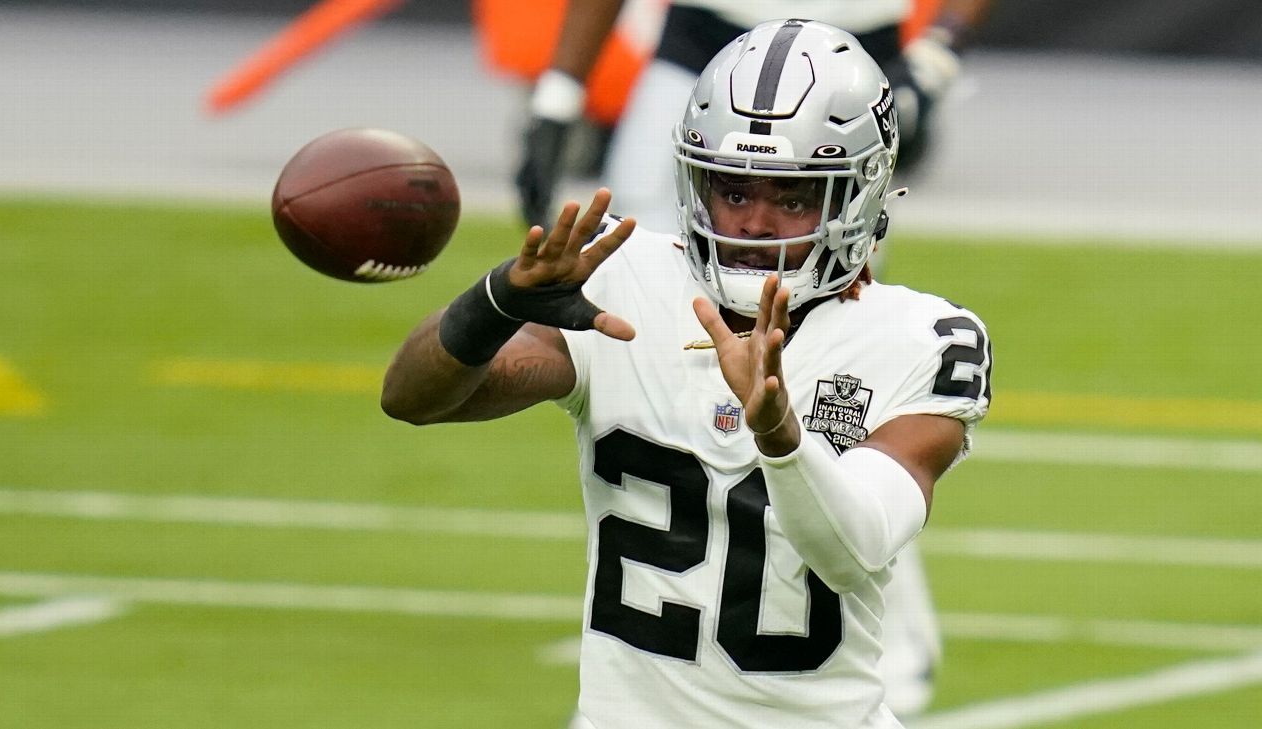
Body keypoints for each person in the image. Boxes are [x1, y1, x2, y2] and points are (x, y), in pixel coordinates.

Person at [386, 20, 992, 728]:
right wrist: (498, 298)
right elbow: (412, 397)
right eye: (733, 190)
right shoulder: (628, 280)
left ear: (857, 195)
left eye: (792, 198)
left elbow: (853, 547)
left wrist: (779, 433)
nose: (756, 224)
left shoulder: (921, 336)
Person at [516, 0, 996, 233]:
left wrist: (935, 57)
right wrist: (557, 101)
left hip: (850, 57)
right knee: (640, 254)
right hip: (701, 48)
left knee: (831, 281)